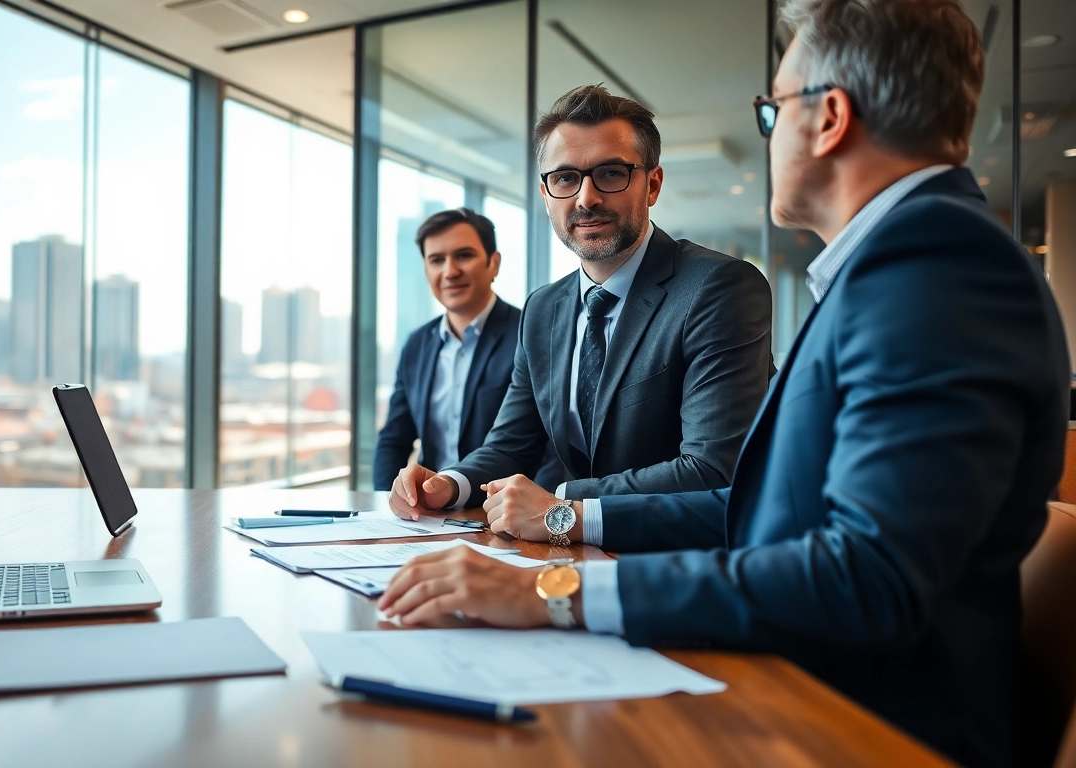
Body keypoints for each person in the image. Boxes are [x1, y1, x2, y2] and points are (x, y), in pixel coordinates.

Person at [379, 1, 1068, 765]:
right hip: (788, 677)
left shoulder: (936, 271)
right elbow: (755, 508)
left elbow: (864, 577)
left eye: (773, 111)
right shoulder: (891, 269)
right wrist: (553, 529)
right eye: (565, 178)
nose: (585, 197)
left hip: (852, 725)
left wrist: (555, 594)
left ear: (829, 117)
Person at [390, 86, 775, 523]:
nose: (586, 198)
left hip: (682, 564)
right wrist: (450, 484)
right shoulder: (543, 309)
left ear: (652, 185)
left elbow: (713, 471)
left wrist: (560, 504)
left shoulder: (717, 288)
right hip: (569, 562)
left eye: (611, 174)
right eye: (566, 177)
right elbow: (512, 444)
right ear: (546, 193)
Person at [373, 208, 559, 491]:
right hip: (432, 511)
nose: (450, 271)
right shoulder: (416, 345)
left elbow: (554, 446)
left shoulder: (531, 335)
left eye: (464, 255)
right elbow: (394, 439)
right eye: (437, 260)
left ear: (493, 264)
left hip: (508, 511)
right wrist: (388, 506)